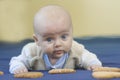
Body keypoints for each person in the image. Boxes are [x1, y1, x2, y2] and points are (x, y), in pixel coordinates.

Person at [9, 5, 102, 74]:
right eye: (49, 39)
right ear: (37, 40)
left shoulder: (75, 49)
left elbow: (87, 56)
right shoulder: (31, 52)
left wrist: (93, 64)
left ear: (72, 34)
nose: (58, 44)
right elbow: (16, 61)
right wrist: (18, 67)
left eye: (64, 37)